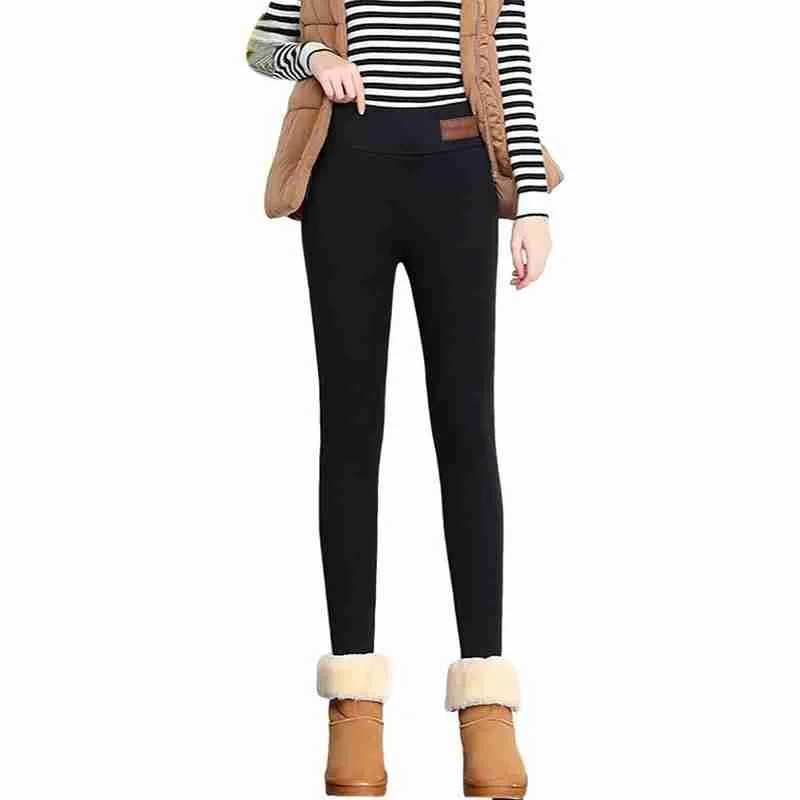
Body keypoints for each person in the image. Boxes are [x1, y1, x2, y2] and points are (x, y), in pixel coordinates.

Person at [247, 0, 561, 794]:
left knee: (467, 431)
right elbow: (262, 45)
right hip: (345, 177)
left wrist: (532, 204)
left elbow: (511, 74)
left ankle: (486, 704)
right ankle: (354, 703)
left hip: (457, 178)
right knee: (351, 431)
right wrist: (316, 60)